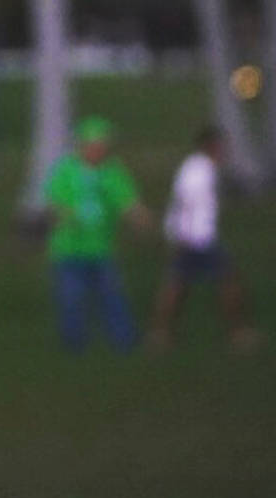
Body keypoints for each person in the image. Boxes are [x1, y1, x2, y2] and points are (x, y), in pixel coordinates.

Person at [43, 116, 151, 353]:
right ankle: (74, 345)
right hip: (69, 249)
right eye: (94, 145)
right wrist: (64, 214)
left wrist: (139, 217)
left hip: (102, 248)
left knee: (112, 296)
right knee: (72, 299)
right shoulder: (66, 169)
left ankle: (124, 341)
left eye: (102, 145)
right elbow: (53, 202)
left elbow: (127, 200)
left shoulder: (113, 171)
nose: (98, 150)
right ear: (82, 145)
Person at [148, 126, 259, 352]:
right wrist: (183, 236)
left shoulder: (200, 168)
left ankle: (160, 334)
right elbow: (185, 204)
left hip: (193, 237)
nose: (225, 151)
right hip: (197, 238)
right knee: (226, 280)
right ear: (211, 146)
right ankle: (239, 334)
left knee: (177, 285)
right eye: (221, 146)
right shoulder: (198, 171)